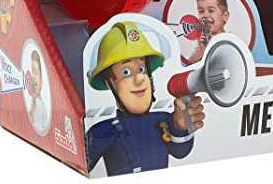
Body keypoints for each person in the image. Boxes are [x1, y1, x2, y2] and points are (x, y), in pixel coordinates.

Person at [87, 22, 204, 177]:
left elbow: (181, 151)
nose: (139, 79)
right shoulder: (102, 131)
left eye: (142, 69)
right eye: (126, 72)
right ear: (109, 83)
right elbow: (76, 166)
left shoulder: (163, 120)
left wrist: (181, 126)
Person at [188, 0, 229, 64]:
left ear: (225, 16)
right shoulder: (200, 42)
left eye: (211, 10)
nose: (205, 15)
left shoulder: (229, 41)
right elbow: (187, 66)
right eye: (201, 11)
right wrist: (201, 49)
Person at [28, 50, 48, 133]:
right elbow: (30, 116)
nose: (33, 76)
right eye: (32, 72)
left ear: (41, 82)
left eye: (36, 73)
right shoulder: (34, 102)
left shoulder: (42, 105)